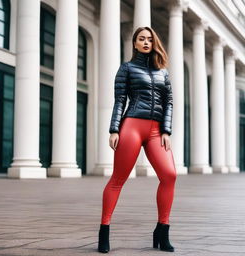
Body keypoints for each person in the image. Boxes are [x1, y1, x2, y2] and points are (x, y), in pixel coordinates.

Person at [97, 26, 177, 253]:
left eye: (149, 40)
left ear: (154, 43)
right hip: (131, 126)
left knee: (169, 175)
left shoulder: (163, 72)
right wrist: (114, 129)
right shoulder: (127, 68)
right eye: (141, 39)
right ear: (134, 43)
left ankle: (162, 230)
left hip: (156, 131)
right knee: (118, 179)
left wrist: (166, 130)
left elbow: (169, 102)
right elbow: (119, 100)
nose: (145, 42)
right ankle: (104, 230)